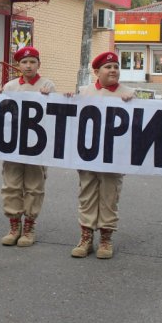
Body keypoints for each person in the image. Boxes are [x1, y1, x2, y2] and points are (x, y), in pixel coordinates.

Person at [70, 51, 136, 259]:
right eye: (108, 67)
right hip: (88, 155)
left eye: (116, 67)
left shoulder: (129, 93)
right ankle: (86, 236)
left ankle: (106, 238)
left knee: (109, 196)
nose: (114, 70)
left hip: (114, 157)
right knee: (87, 194)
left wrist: (132, 103)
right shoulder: (84, 91)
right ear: (97, 72)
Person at [0, 46, 55, 247]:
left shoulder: (47, 85)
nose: (28, 66)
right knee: (11, 185)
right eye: (24, 62)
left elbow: (55, 114)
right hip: (13, 145)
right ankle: (14, 225)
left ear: (39, 64)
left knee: (34, 186)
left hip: (37, 146)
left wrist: (49, 98)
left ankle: (29, 225)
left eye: (32, 62)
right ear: (18, 65)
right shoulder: (10, 87)